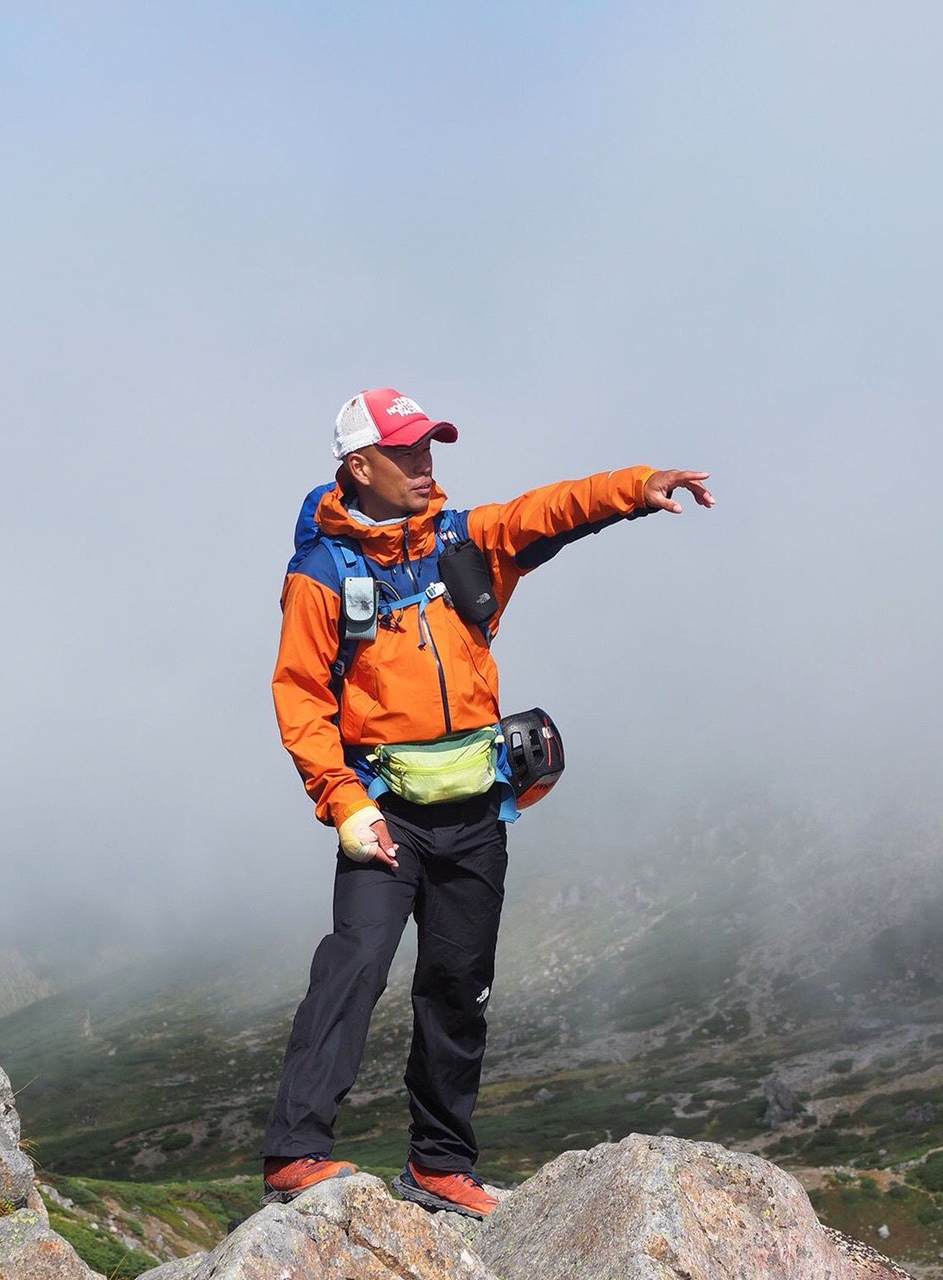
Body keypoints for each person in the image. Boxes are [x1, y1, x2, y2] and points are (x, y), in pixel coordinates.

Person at [261, 387, 712, 1217]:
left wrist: (638, 488)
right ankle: (295, 1152)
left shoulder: (464, 542)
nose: (426, 463)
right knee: (355, 968)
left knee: (459, 984)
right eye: (406, 452)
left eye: (431, 447)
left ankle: (438, 1164)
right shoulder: (321, 575)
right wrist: (344, 803)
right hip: (384, 817)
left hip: (477, 814)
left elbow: (548, 512)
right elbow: (299, 698)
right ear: (359, 467)